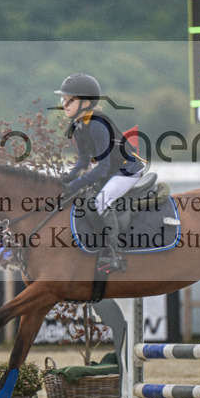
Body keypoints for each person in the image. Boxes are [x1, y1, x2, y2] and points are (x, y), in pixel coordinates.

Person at [56, 73, 145, 276]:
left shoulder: (97, 125)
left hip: (127, 171)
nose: (65, 104)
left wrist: (76, 184)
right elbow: (83, 162)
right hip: (111, 172)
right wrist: (67, 179)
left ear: (86, 103)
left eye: (70, 100)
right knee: (84, 200)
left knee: (99, 202)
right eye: (64, 99)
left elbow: (102, 167)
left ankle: (113, 252)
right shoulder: (77, 126)